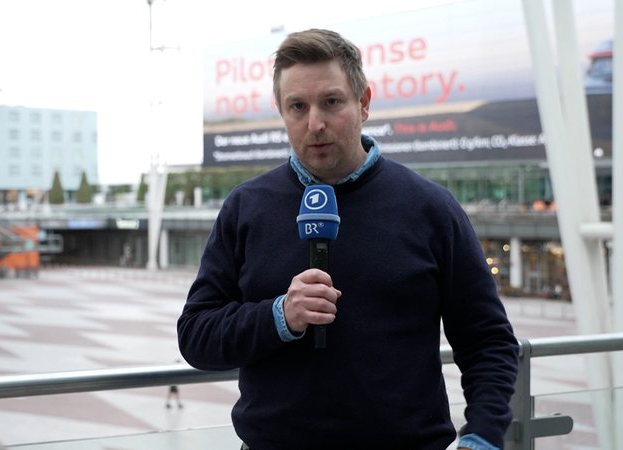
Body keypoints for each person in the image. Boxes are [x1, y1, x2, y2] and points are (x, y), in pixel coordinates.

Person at [178, 28, 519, 450]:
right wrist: (279, 316)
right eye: (298, 106)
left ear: (364, 102)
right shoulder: (246, 207)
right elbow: (196, 336)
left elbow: (488, 341)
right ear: (281, 112)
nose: (315, 123)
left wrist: (482, 437)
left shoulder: (431, 208)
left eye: (331, 102)